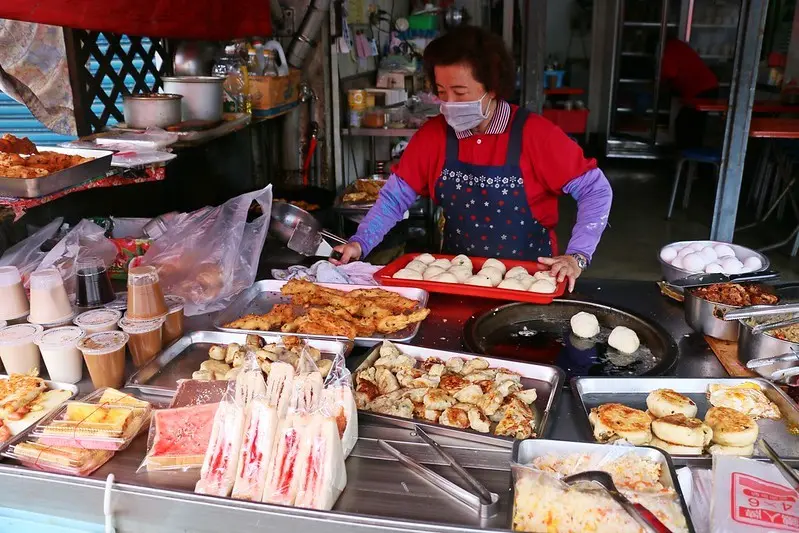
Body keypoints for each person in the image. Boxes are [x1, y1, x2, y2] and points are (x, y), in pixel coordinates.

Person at [333, 26, 612, 291]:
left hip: (531, 280)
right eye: (442, 93)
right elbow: (395, 198)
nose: (449, 103)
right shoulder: (433, 137)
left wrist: (577, 256)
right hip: (454, 277)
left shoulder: (536, 135)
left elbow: (595, 190)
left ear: (492, 87)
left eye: (460, 92)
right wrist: (360, 243)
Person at [660, 37, 720, 148]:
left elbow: (670, 73)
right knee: (694, 125)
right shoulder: (677, 45)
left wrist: (660, 80)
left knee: (685, 124)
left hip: (700, 89)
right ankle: (691, 159)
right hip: (708, 86)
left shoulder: (670, 48)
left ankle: (687, 157)